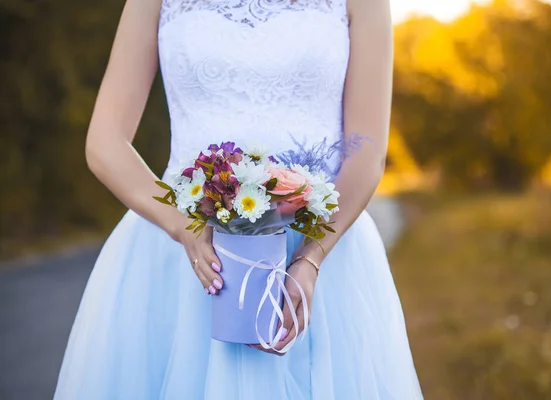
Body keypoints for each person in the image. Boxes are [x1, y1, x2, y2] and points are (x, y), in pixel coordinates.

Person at [54, 0, 423, 398]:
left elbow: (367, 153)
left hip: (321, 251)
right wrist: (183, 227)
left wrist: (310, 259)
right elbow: (105, 143)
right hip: (182, 254)